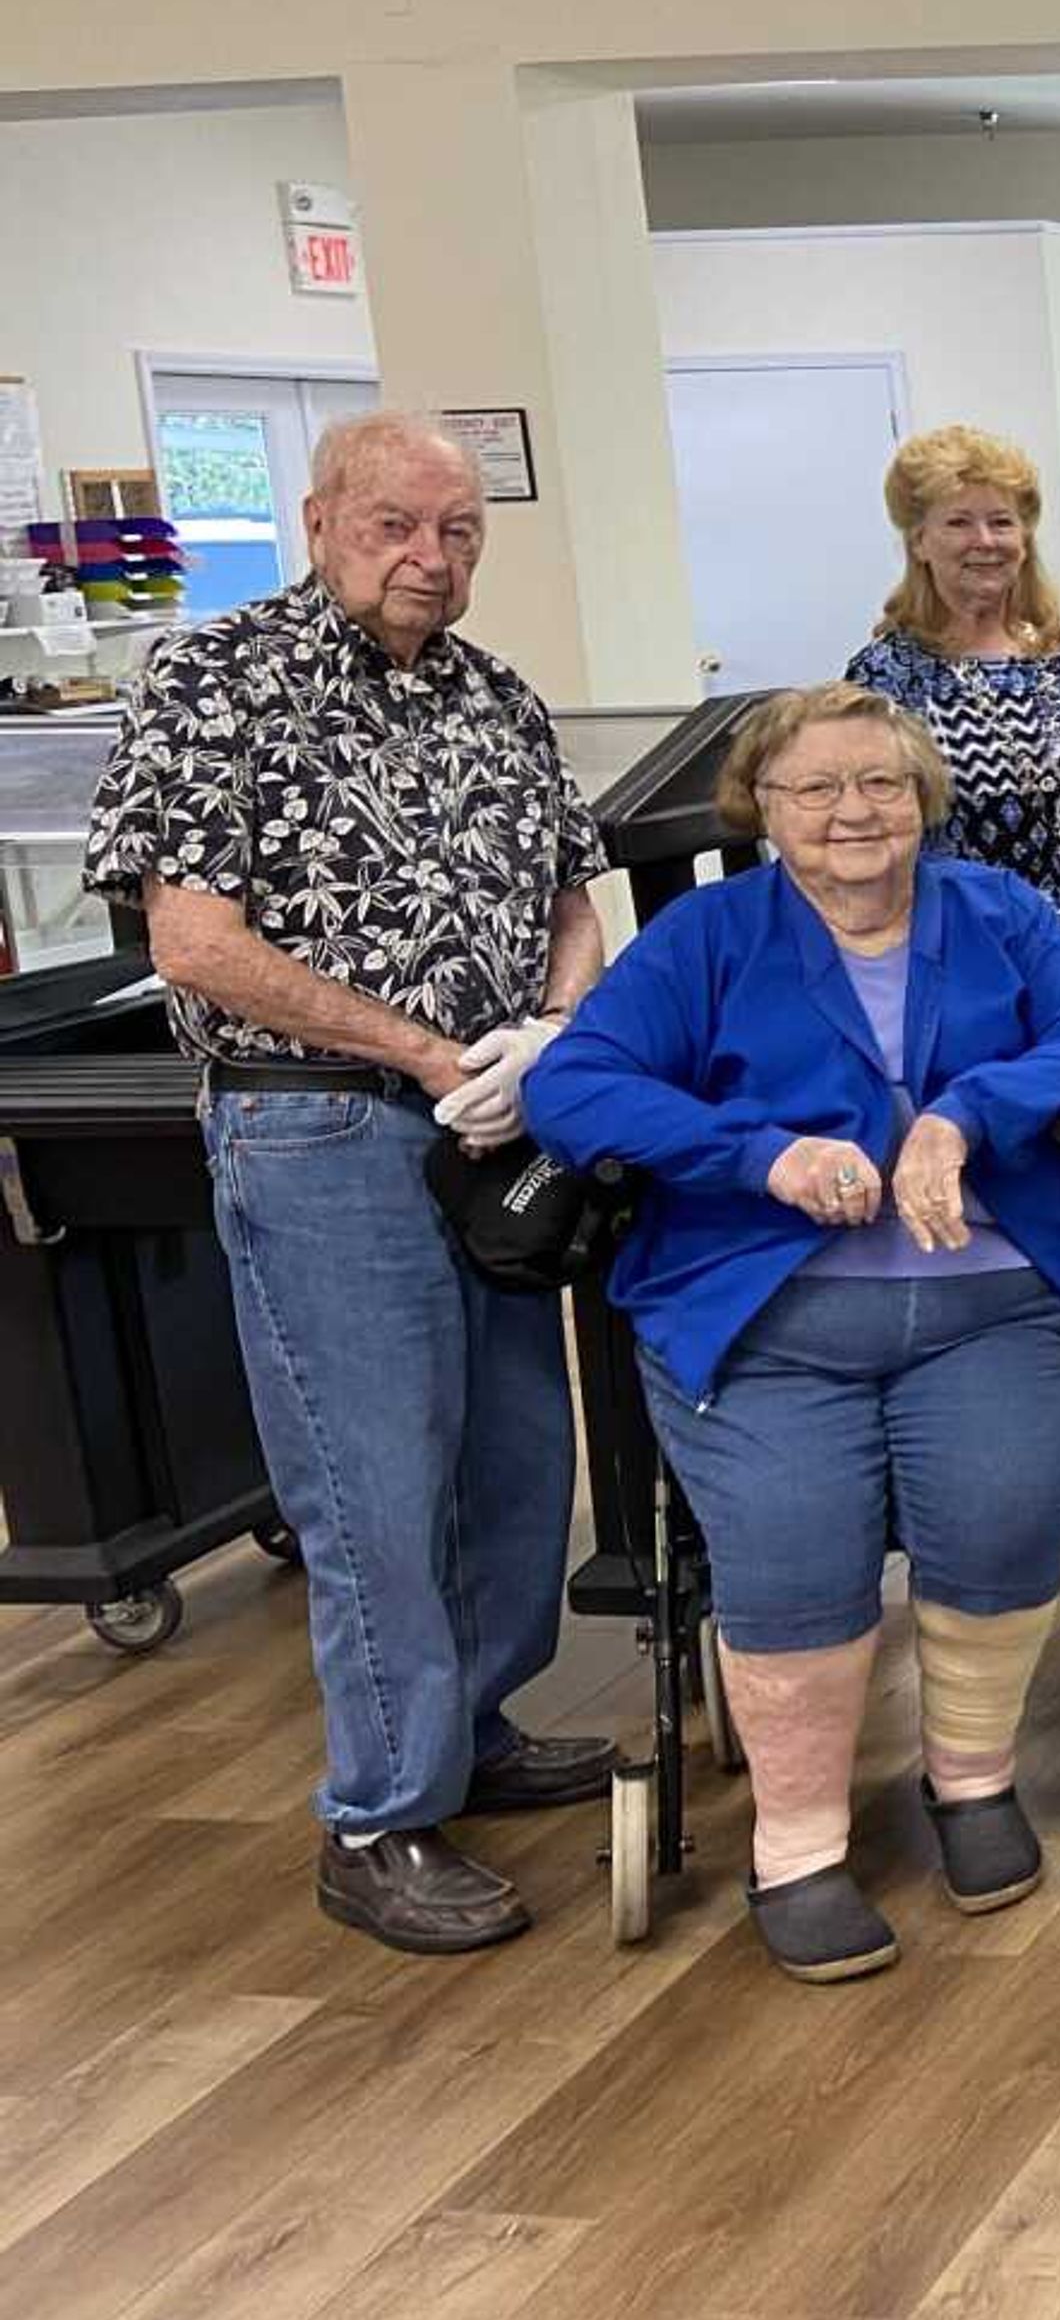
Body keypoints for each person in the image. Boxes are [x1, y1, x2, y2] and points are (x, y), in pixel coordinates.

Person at [82, 408, 618, 1957]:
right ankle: (381, 1813)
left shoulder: (493, 694)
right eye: (394, 525)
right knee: (375, 1478)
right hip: (319, 1129)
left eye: (455, 532)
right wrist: (426, 1053)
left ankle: (478, 1731)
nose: (427, 558)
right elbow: (198, 943)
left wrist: (553, 1026)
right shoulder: (214, 679)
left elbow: (574, 891)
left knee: (519, 1455)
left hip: (501, 1124)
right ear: (320, 519)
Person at [523, 684, 1060, 1982]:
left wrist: (968, 1113)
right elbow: (576, 1085)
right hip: (768, 1311)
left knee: (1005, 1513)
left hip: (991, 1295)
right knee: (795, 1554)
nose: (851, 812)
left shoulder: (998, 913)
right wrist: (761, 1159)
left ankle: (972, 1785)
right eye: (815, 790)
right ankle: (797, 1847)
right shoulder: (708, 936)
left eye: (878, 782)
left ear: (922, 797)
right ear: (766, 808)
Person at [843, 423, 1060, 995]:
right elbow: (868, 839)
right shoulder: (885, 676)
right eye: (958, 522)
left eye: (1002, 521)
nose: (986, 540)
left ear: (1025, 538)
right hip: (959, 975)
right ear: (919, 542)